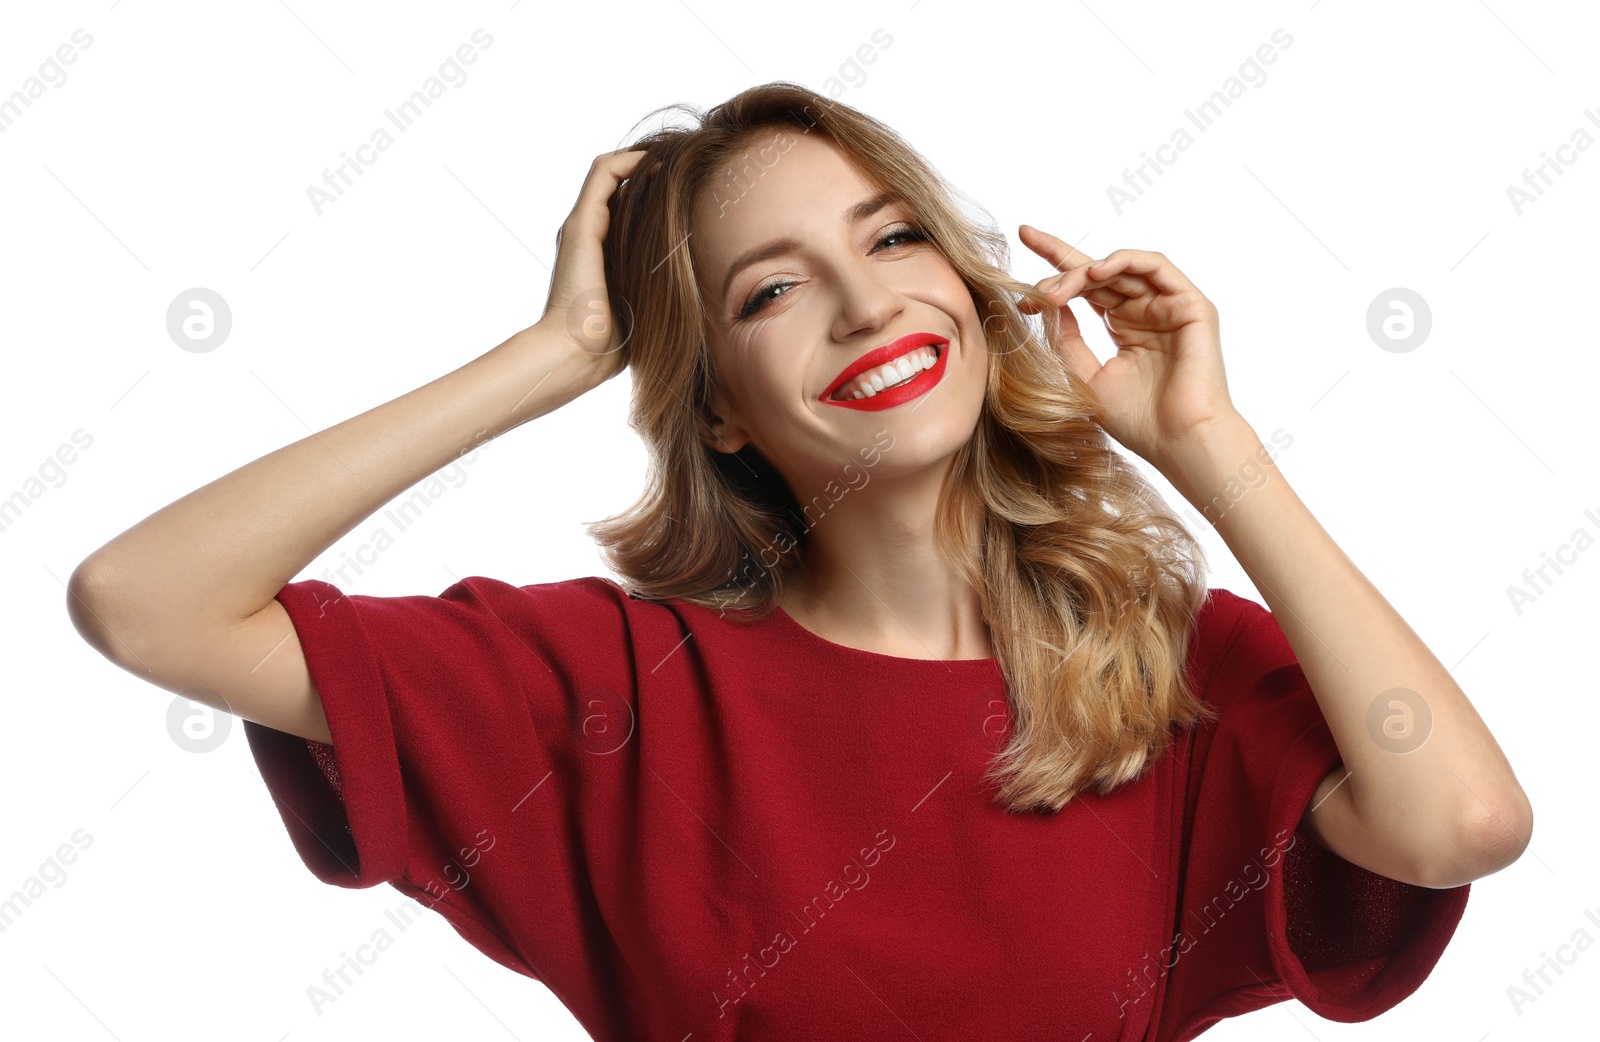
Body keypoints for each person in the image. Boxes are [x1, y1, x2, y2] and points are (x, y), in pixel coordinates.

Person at [67, 82, 1531, 1040]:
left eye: (893, 238)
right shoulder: (605, 685)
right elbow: (145, 600)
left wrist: (1209, 446)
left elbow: (1459, 819)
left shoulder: (1163, 666)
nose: (862, 302)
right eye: (771, 287)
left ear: (965, 285)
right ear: (712, 398)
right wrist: (556, 352)